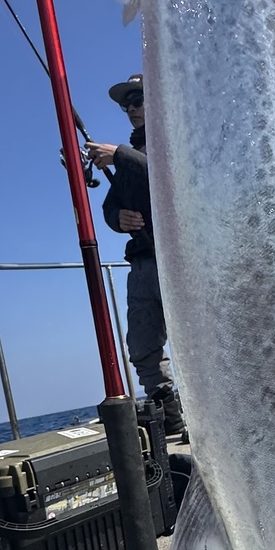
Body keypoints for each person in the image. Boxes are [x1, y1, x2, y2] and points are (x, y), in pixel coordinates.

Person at [88, 74, 185, 440]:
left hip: (178, 259)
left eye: (137, 100)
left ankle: (210, 415)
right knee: (143, 344)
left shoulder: (173, 138)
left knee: (196, 341)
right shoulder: (129, 157)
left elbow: (166, 177)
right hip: (142, 263)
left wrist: (119, 156)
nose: (130, 109)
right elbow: (110, 207)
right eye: (125, 104)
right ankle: (169, 417)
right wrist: (119, 219)